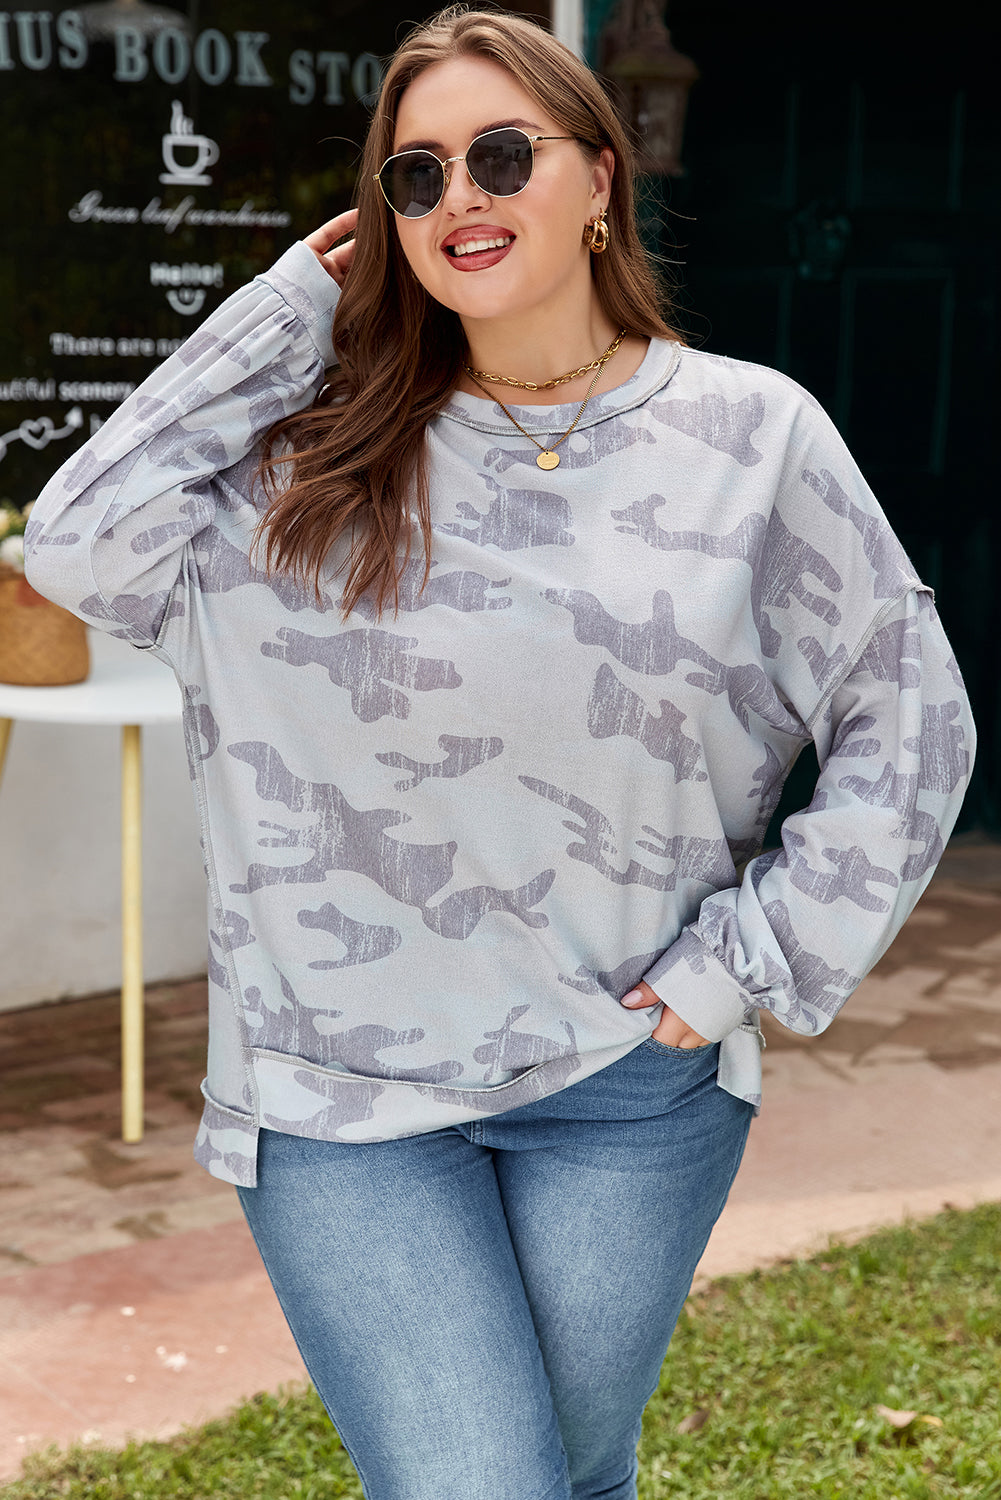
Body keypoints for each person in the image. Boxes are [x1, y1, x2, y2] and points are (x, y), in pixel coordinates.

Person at [26, 7, 974, 1497]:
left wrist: (744, 963)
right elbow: (77, 545)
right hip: (340, 1098)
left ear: (600, 179)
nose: (457, 196)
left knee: (573, 1477)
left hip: (625, 1086)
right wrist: (287, 309)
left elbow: (910, 718)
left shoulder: (751, 438)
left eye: (501, 155)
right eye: (414, 176)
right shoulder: (306, 461)